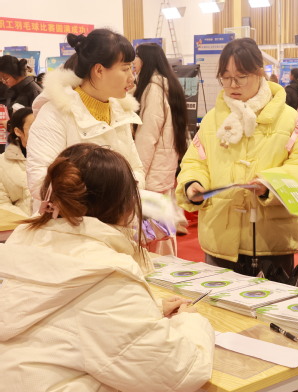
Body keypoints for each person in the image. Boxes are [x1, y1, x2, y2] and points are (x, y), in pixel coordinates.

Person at [0, 143, 215, 392]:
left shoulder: (23, 245)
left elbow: (65, 320)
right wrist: (189, 322)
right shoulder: (106, 275)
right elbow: (175, 372)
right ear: (124, 205)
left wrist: (150, 309)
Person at [176, 38, 298, 282]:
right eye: (226, 77)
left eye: (241, 77)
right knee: (219, 303)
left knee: (272, 303)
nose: (232, 85)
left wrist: (271, 183)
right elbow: (195, 162)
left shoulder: (289, 120)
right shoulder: (212, 120)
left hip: (271, 240)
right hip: (220, 237)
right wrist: (193, 184)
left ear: (259, 73)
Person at [27, 28, 144, 208]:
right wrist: (105, 197)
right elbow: (40, 180)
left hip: (116, 217)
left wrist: (123, 195)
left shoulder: (120, 111)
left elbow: (135, 169)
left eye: (132, 69)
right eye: (125, 69)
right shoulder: (55, 113)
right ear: (99, 70)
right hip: (71, 220)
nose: (132, 78)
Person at [132, 43, 189, 253]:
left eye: (136, 56)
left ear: (145, 59)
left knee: (155, 234)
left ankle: (163, 269)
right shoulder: (169, 85)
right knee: (162, 229)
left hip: (152, 171)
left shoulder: (153, 88)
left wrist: (138, 174)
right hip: (164, 167)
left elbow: (148, 136)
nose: (133, 62)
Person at [0, 107, 33, 216]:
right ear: (18, 131)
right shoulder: (2, 163)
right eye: (34, 127)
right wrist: (28, 221)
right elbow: (2, 204)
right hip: (22, 223)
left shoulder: (61, 157)